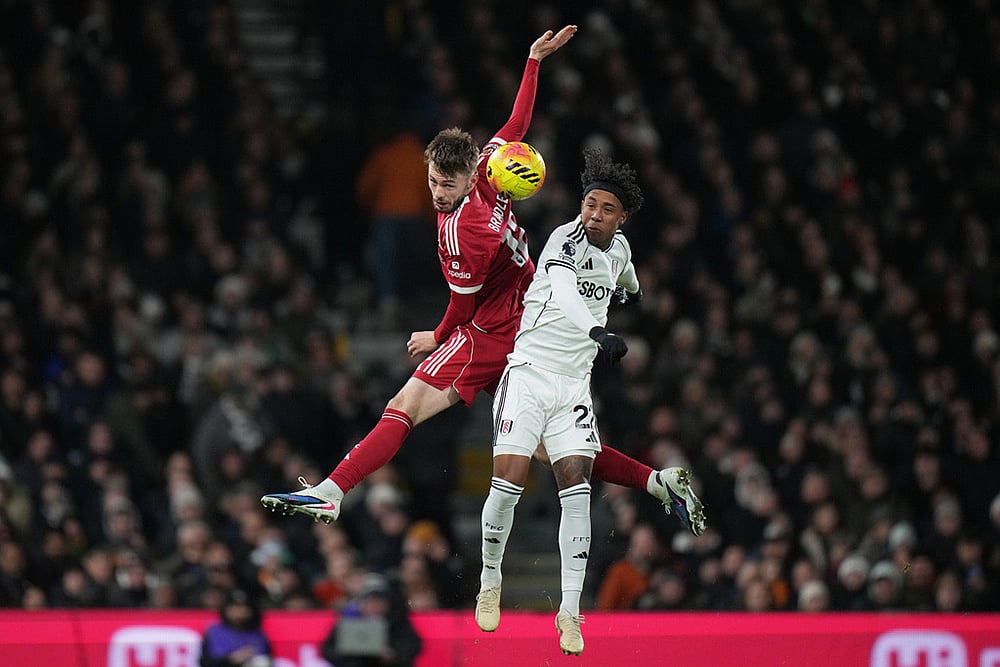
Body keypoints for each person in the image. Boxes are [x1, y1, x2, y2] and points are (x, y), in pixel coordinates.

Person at [260, 25, 704, 541]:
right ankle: (658, 483)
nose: (437, 193)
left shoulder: (462, 233)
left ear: (470, 177)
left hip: (493, 326)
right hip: (532, 311)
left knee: (406, 405)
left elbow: (462, 308)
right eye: (432, 181)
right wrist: (533, 61)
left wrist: (435, 336)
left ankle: (330, 494)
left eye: (447, 185)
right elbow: (517, 121)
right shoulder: (494, 167)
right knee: (552, 447)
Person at [473, 150, 702, 656]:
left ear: (621, 218)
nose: (593, 215)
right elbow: (563, 289)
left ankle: (570, 613)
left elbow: (626, 276)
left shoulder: (618, 249)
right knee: (508, 484)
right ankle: (490, 581)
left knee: (576, 490)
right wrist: (599, 329)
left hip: (573, 387)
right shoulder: (563, 238)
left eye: (605, 209)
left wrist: (632, 291)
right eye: (589, 205)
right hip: (529, 374)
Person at [320, 572, 422, 667]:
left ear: (387, 603)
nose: (374, 606)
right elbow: (328, 650)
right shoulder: (350, 620)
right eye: (369, 602)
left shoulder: (398, 622)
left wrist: (394, 654)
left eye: (378, 601)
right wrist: (353, 653)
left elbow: (413, 647)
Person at [199, 589, 272, 667]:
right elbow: (205, 662)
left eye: (243, 607)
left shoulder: (258, 635)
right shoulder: (214, 632)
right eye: (235, 607)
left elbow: (266, 659)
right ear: (226, 609)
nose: (239, 612)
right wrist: (231, 659)